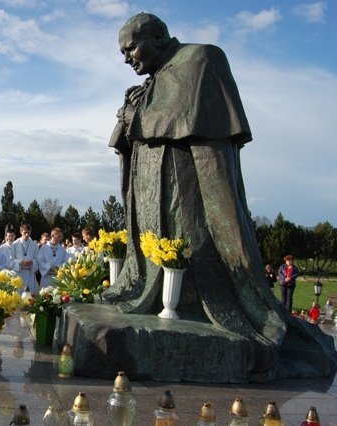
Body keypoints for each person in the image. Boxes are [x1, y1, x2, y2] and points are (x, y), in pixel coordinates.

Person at [103, 13, 292, 368]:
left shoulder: (202, 58)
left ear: (157, 37)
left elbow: (189, 117)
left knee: (187, 247)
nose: (127, 58)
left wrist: (139, 119)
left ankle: (190, 301)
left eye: (131, 48)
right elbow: (141, 126)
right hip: (149, 184)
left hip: (184, 187)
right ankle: (154, 291)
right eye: (123, 53)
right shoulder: (153, 80)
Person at [11, 223, 39, 293]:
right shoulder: (15, 244)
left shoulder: (34, 245)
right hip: (19, 273)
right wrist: (21, 262)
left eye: (29, 233)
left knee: (30, 295)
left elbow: (38, 259)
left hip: (30, 273)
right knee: (18, 293)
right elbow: (11, 260)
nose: (27, 235)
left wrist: (32, 262)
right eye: (25, 232)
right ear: (21, 232)